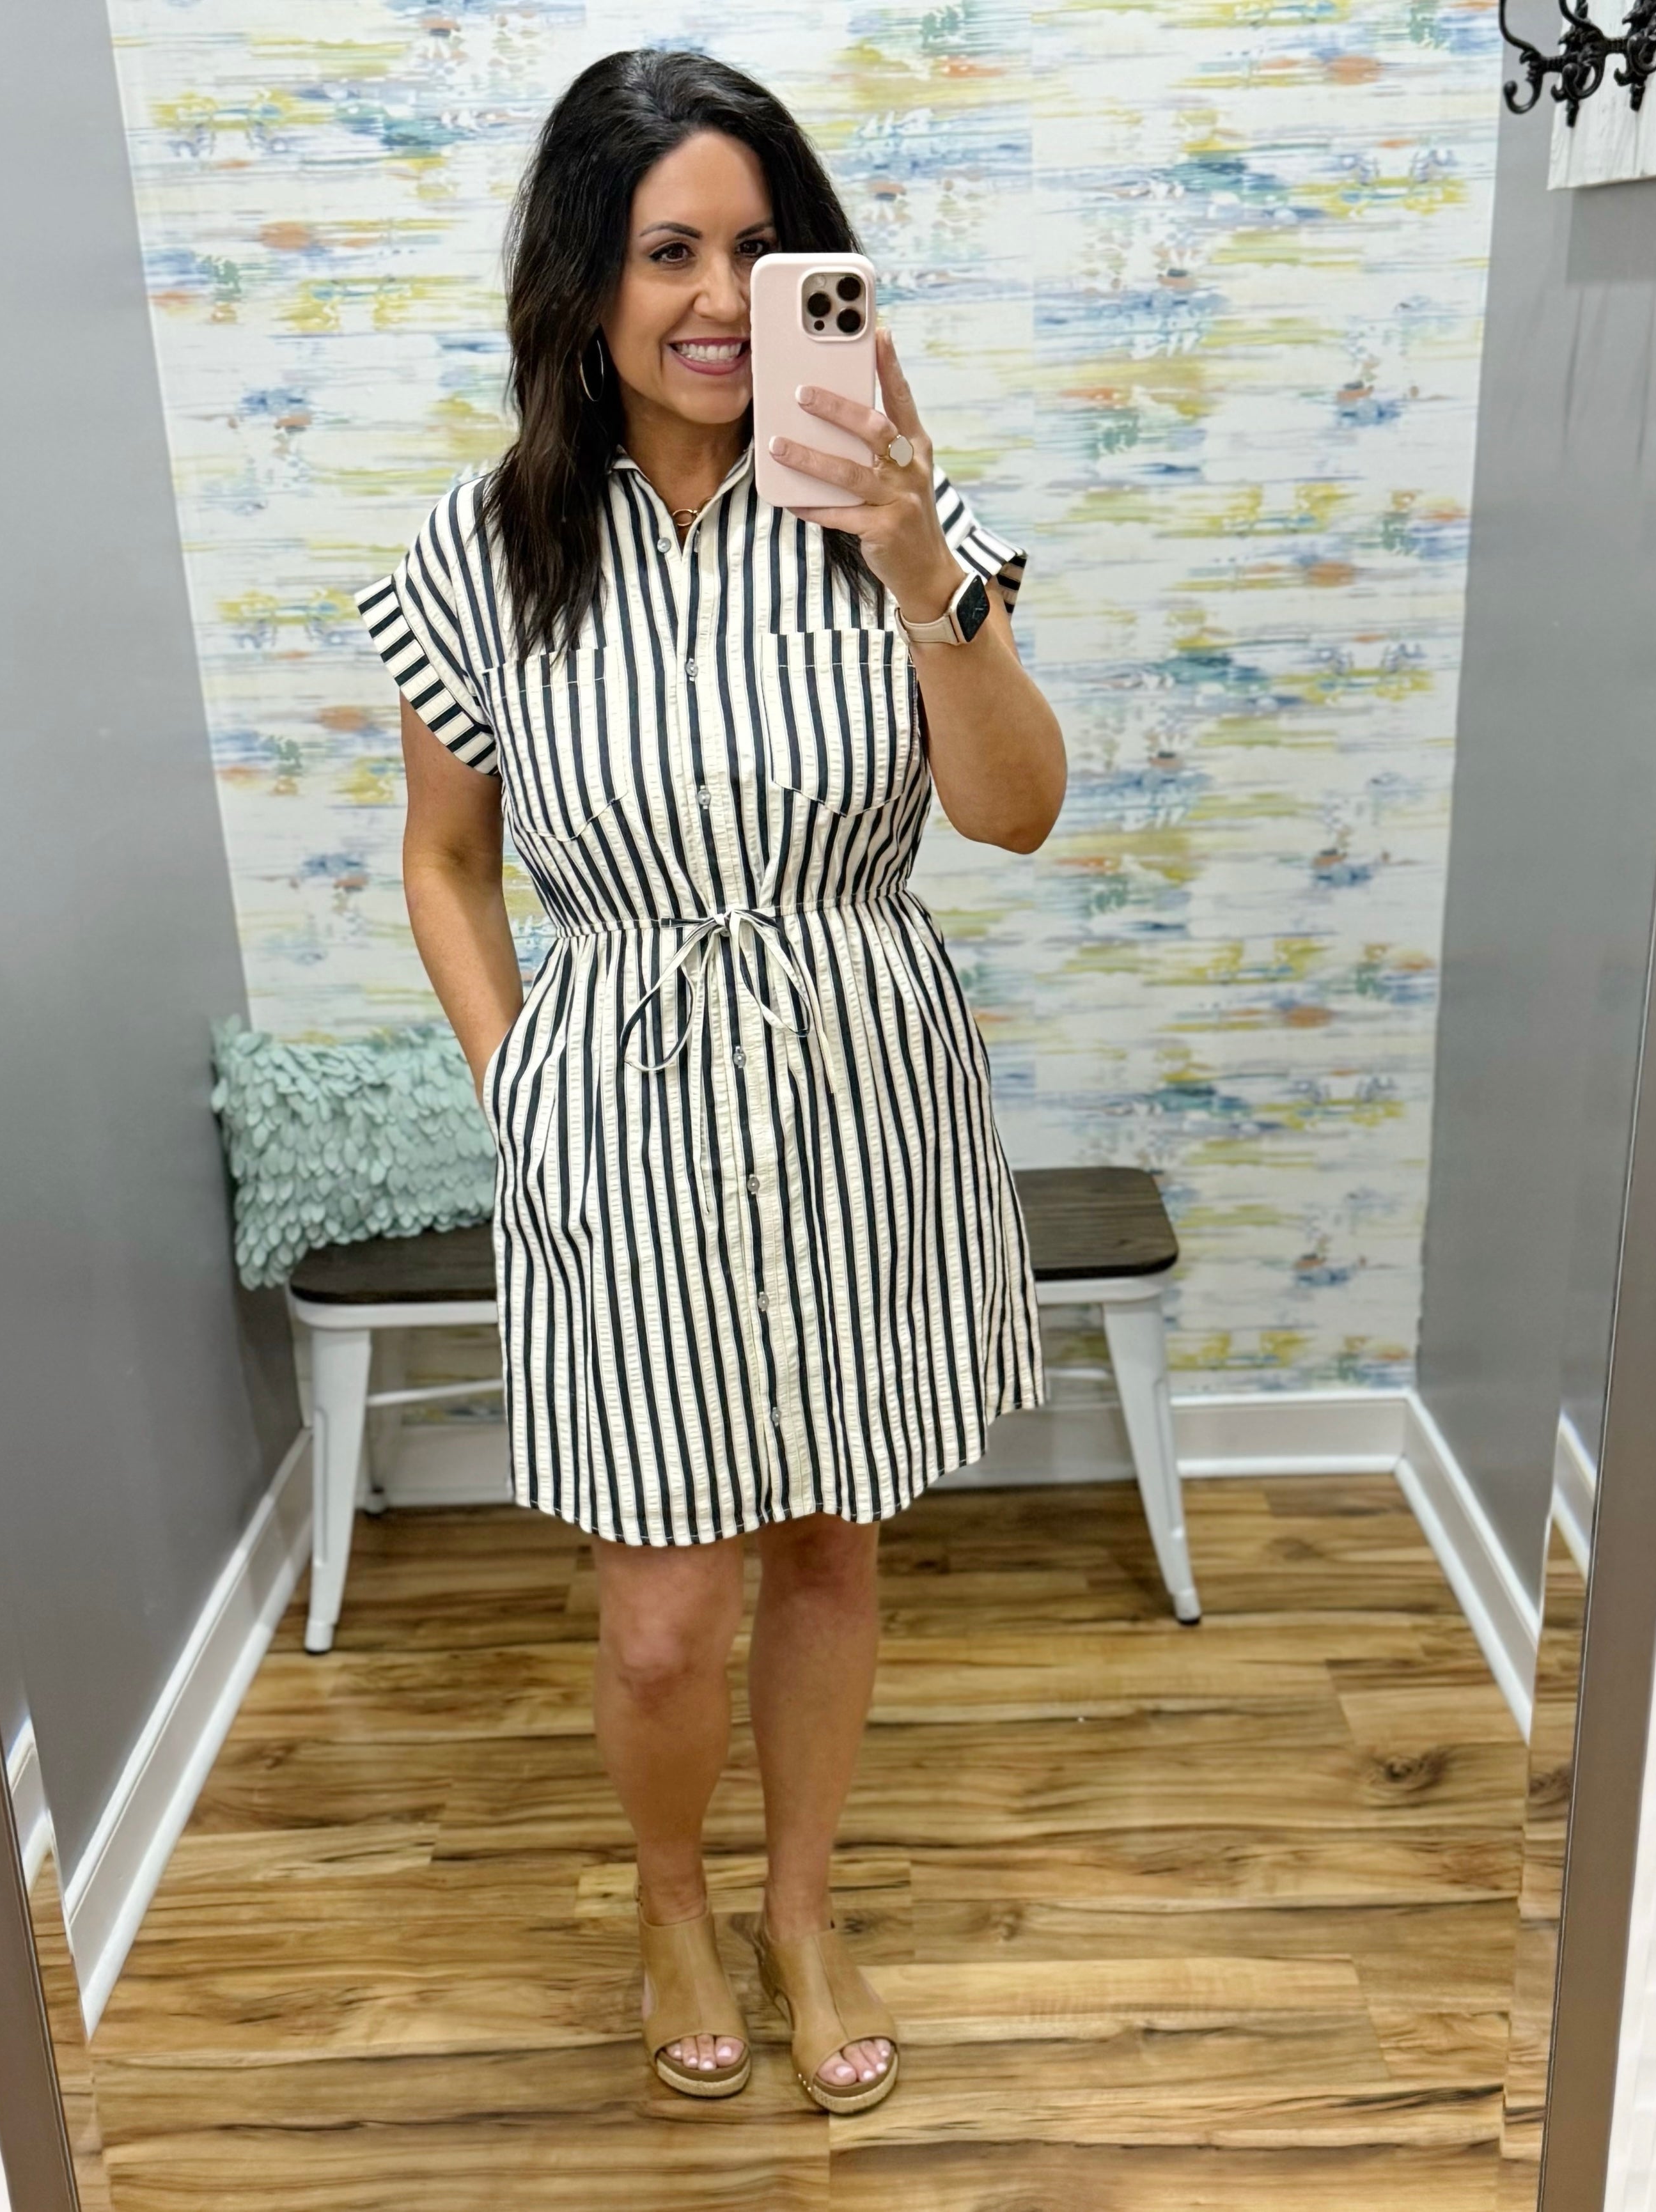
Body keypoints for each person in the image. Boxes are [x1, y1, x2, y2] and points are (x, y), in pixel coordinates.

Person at [357, 46, 1066, 2116]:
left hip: (864, 1087)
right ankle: (671, 1891)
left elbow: (1015, 812)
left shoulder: (896, 519)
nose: (712, 297)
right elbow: (446, 857)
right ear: (583, 279)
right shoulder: (477, 555)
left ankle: (802, 1898)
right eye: (669, 249)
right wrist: (524, 1090)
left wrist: (926, 566)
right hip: (622, 1108)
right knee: (661, 1611)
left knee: (833, 1543)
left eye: (761, 252)